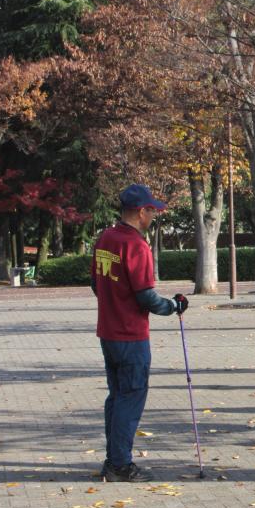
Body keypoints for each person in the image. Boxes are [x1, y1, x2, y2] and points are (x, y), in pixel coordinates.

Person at [91, 184, 189, 483]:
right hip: (131, 336)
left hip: (108, 332)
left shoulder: (105, 238)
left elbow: (96, 284)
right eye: (151, 210)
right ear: (139, 211)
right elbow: (146, 296)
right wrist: (173, 306)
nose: (154, 215)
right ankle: (120, 464)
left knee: (117, 397)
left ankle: (113, 460)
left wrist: (114, 303)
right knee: (130, 399)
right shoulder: (136, 246)